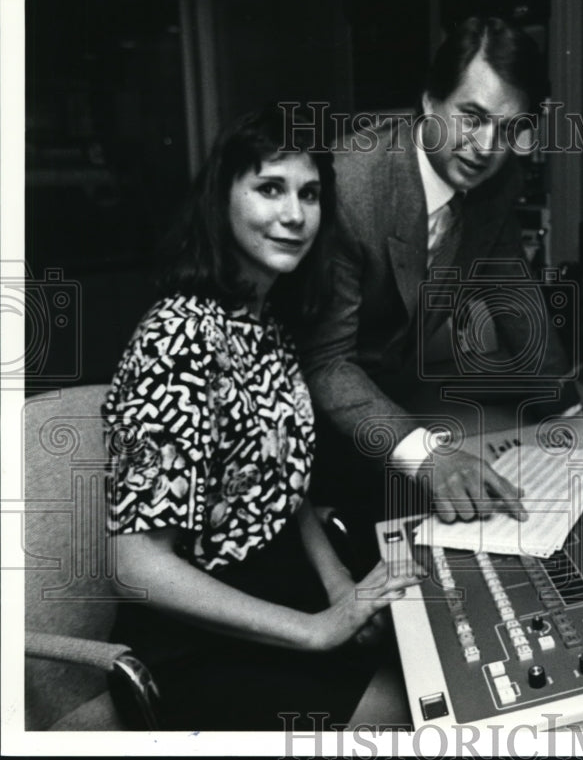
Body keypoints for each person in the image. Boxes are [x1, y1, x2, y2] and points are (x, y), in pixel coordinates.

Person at [102, 107, 420, 731]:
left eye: (309, 194)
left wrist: (338, 592)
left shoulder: (266, 325)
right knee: (410, 713)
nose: (294, 215)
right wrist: (314, 630)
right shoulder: (178, 337)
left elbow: (284, 490)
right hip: (194, 642)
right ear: (221, 200)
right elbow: (135, 565)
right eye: (269, 188)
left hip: (279, 591)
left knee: (427, 663)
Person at [298, 17, 578, 547]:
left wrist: (570, 411)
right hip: (308, 421)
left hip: (392, 392)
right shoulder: (351, 186)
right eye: (470, 117)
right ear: (429, 102)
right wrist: (425, 454)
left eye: (508, 127)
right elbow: (326, 361)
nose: (484, 147)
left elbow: (512, 289)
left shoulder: (499, 178)